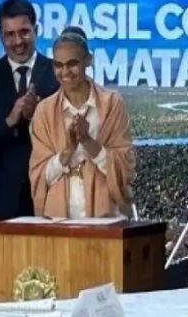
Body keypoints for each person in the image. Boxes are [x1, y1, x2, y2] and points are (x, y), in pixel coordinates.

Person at [29, 27, 135, 218]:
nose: (65, 72)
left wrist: (88, 142)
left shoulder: (112, 104)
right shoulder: (44, 111)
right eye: (58, 65)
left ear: (88, 60)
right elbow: (39, 176)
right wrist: (67, 150)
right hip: (59, 218)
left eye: (72, 63)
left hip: (105, 215)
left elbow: (124, 168)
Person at [0, 0, 58, 221]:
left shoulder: (57, 73)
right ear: (0, 36)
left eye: (24, 32)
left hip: (48, 194)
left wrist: (37, 115)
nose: (18, 41)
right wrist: (9, 121)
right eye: (10, 34)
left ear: (36, 30)